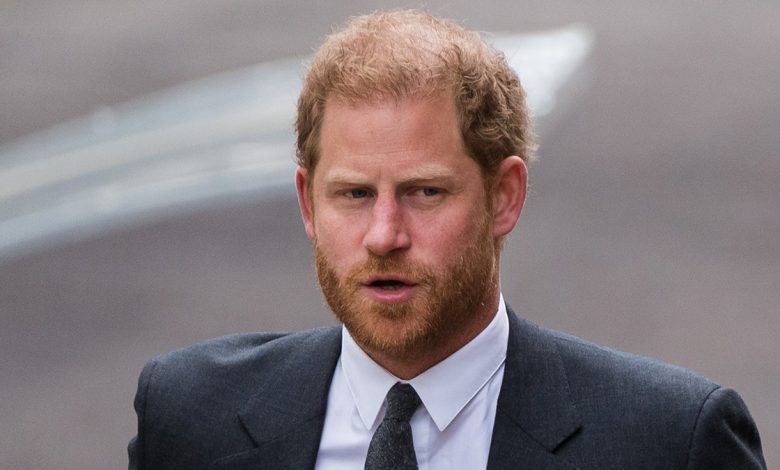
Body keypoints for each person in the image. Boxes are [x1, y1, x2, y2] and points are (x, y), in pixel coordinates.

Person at [128, 10, 765, 469]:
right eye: (353, 194)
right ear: (306, 203)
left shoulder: (670, 442)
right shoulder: (188, 418)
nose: (383, 235)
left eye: (424, 192)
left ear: (504, 197)